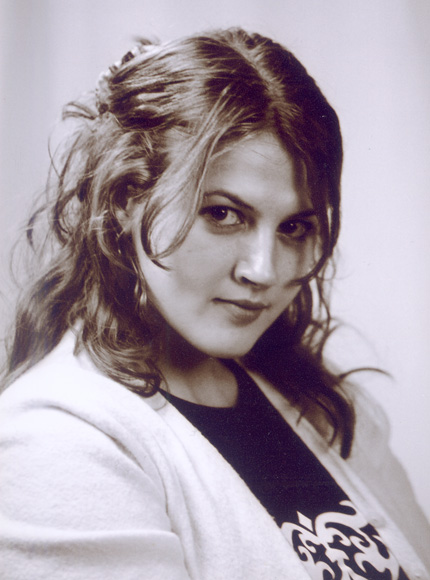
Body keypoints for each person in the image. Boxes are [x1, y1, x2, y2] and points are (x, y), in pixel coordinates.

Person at [0, 28, 428, 580]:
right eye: (224, 214)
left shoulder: (323, 402)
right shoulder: (57, 441)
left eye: (294, 227)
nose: (263, 270)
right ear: (127, 197)